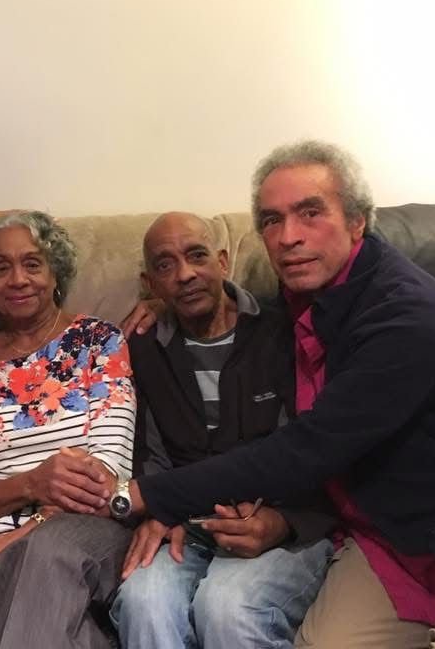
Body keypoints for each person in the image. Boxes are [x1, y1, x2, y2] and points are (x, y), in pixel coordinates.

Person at [120, 141, 435, 648]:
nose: (289, 237)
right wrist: (166, 303)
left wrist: (145, 495)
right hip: (388, 540)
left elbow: (306, 449)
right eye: (272, 221)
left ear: (357, 221)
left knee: (233, 607)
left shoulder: (408, 320)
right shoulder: (307, 294)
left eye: (310, 213)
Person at [110, 211, 335, 649]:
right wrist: (161, 508)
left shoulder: (283, 332)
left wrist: (282, 523)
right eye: (165, 265)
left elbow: (313, 450)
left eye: (197, 256)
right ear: (150, 284)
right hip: (185, 524)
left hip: (279, 523)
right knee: (143, 602)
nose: (185, 274)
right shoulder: (141, 345)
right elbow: (144, 450)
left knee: (228, 607)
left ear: (223, 261)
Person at [0, 211, 136, 649]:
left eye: (32, 264)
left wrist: (24, 533)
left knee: (41, 555)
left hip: (89, 526)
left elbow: (108, 471)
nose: (18, 279)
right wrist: (32, 483)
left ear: (55, 272)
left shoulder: (99, 342)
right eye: (1, 268)